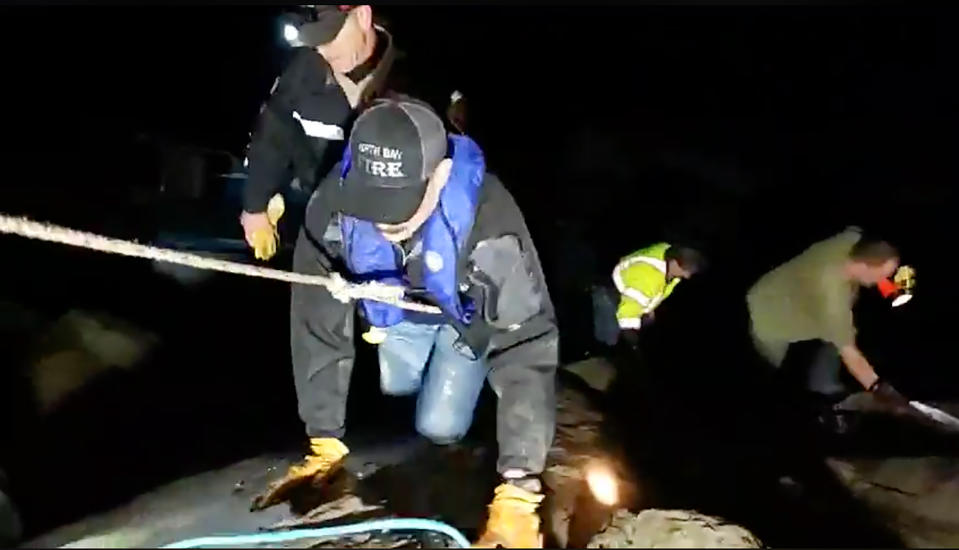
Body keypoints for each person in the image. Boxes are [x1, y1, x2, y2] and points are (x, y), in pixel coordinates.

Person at [251, 96, 558, 549]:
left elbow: (527, 340)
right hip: (400, 315)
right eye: (371, 200)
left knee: (439, 426)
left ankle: (464, 417)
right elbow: (316, 318)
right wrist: (323, 437)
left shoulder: (492, 219)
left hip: (462, 322)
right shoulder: (332, 205)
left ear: (441, 175)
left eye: (400, 202)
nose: (381, 220)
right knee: (397, 385)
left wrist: (519, 485)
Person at [238, 5, 455, 261]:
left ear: (363, 16)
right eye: (315, 41)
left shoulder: (418, 80)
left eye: (330, 36)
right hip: (322, 215)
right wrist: (255, 205)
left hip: (394, 230)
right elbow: (273, 134)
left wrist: (419, 217)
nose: (323, 51)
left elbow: (447, 164)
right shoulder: (302, 73)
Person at [746, 226, 913, 425]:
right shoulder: (833, 298)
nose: (884, 281)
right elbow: (850, 354)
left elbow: (860, 237)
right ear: (864, 267)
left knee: (830, 346)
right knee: (782, 382)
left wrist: (892, 290)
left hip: (790, 292)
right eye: (881, 276)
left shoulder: (852, 240)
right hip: (773, 319)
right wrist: (883, 391)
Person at [611, 243, 706, 344]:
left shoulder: (668, 258)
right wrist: (632, 342)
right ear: (675, 261)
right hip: (614, 300)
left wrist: (650, 309)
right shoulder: (649, 276)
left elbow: (655, 291)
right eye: (686, 270)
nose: (687, 276)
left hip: (635, 300)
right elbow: (628, 311)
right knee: (613, 343)